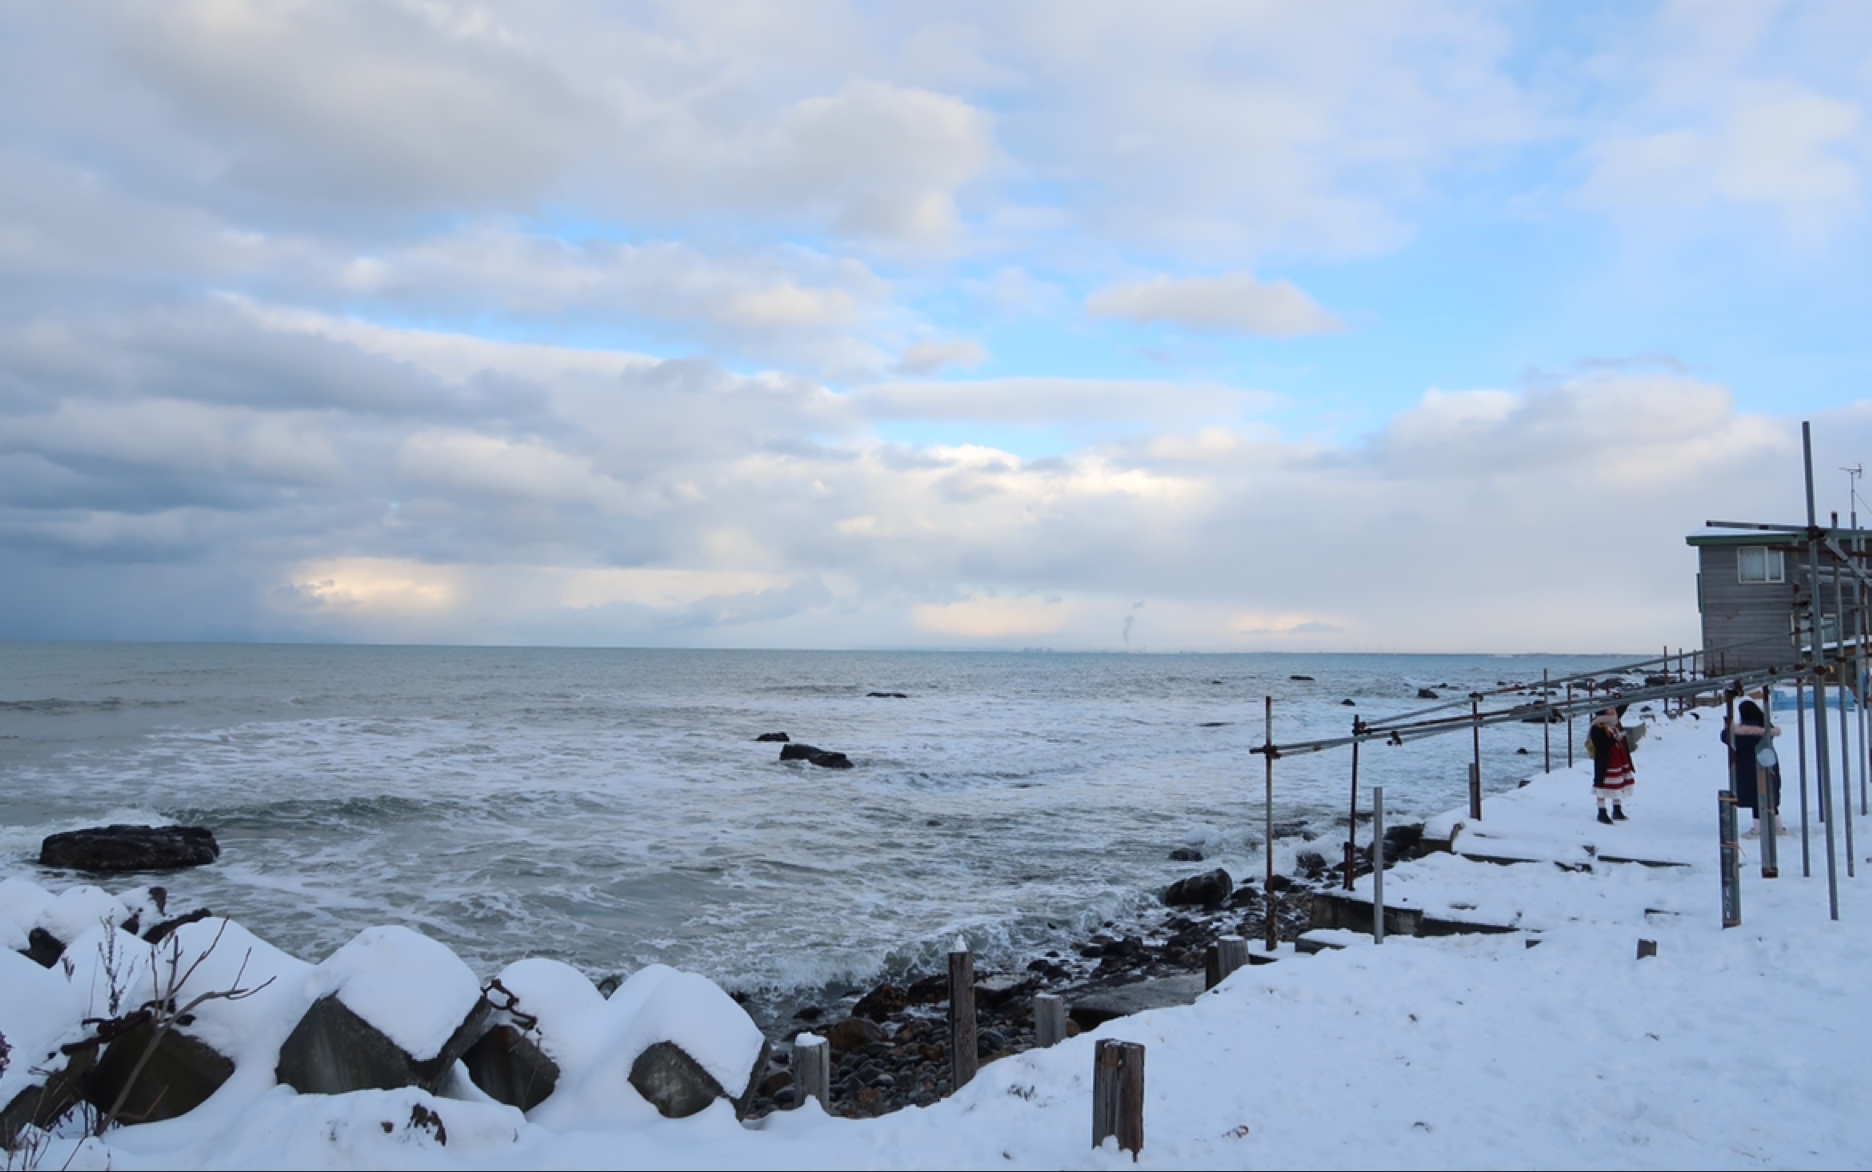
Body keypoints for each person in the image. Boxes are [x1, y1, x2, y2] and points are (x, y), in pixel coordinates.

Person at [1722, 697, 1783, 837]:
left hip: (1751, 767)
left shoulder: (1744, 733)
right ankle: (1778, 826)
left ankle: (1758, 828)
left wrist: (1728, 727)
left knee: (1756, 795)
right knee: (1770, 794)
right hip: (1769, 762)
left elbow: (1727, 738)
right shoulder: (1766, 727)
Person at [1589, 704, 1635, 824]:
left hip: (1617, 758)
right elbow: (1601, 745)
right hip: (1605, 760)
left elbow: (1622, 706)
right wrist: (1615, 739)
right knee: (1602, 785)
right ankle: (1601, 811)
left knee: (1618, 783)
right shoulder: (1597, 726)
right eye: (1610, 707)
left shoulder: (1613, 720)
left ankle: (1617, 809)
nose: (1613, 709)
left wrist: (1623, 697)